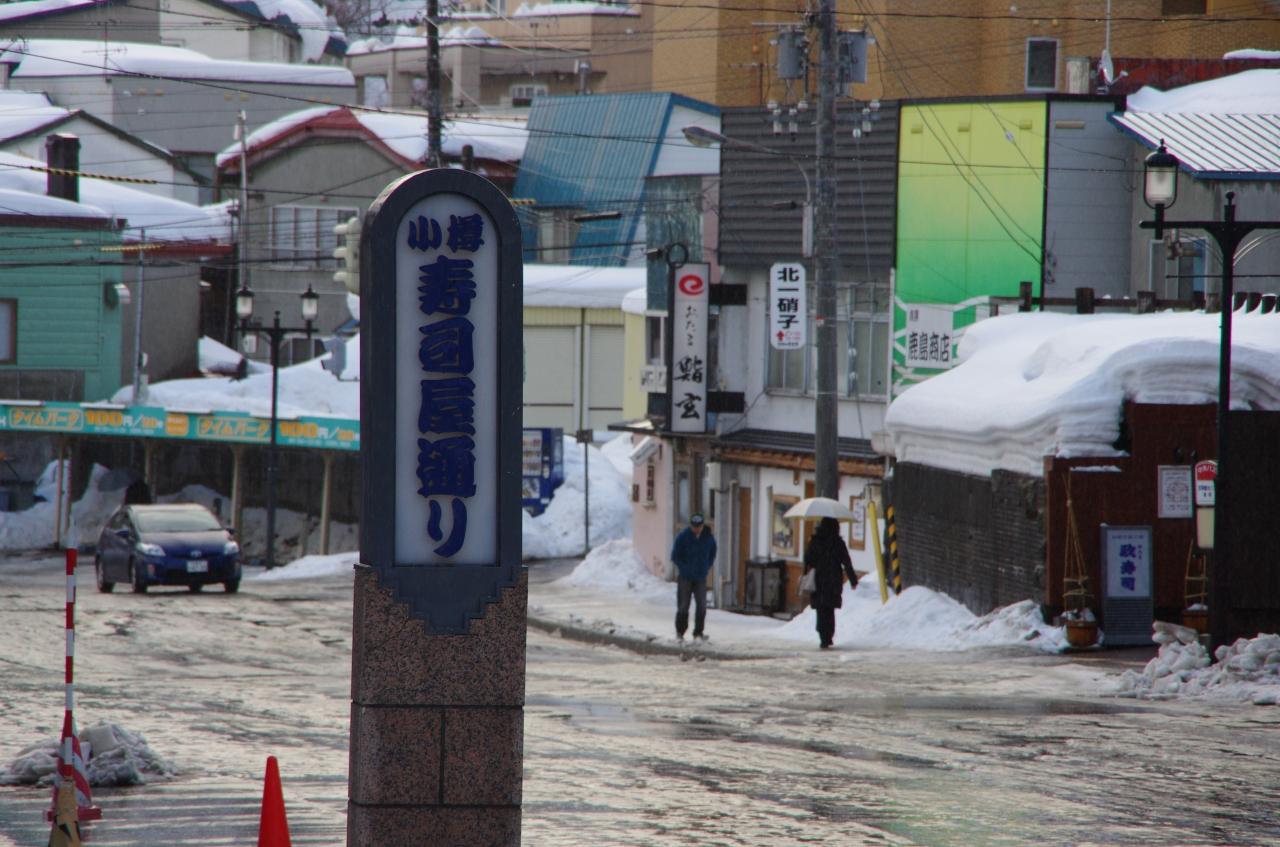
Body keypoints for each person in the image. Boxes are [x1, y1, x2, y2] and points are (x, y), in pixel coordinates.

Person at [802, 517, 858, 649]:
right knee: (829, 609)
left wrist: (806, 573)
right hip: (833, 580)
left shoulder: (815, 541)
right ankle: (828, 636)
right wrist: (853, 579)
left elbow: (807, 559)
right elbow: (846, 562)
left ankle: (823, 636)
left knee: (821, 609)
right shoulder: (838, 543)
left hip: (818, 580)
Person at [670, 512, 716, 641]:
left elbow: (712, 554)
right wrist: (684, 568)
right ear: (690, 525)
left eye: (698, 526)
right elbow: (675, 556)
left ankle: (698, 633)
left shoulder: (708, 538)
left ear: (702, 526)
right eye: (694, 526)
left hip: (700, 577)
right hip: (685, 577)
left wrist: (706, 566)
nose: (696, 529)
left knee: (702, 605)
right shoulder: (683, 537)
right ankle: (680, 632)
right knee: (683, 605)